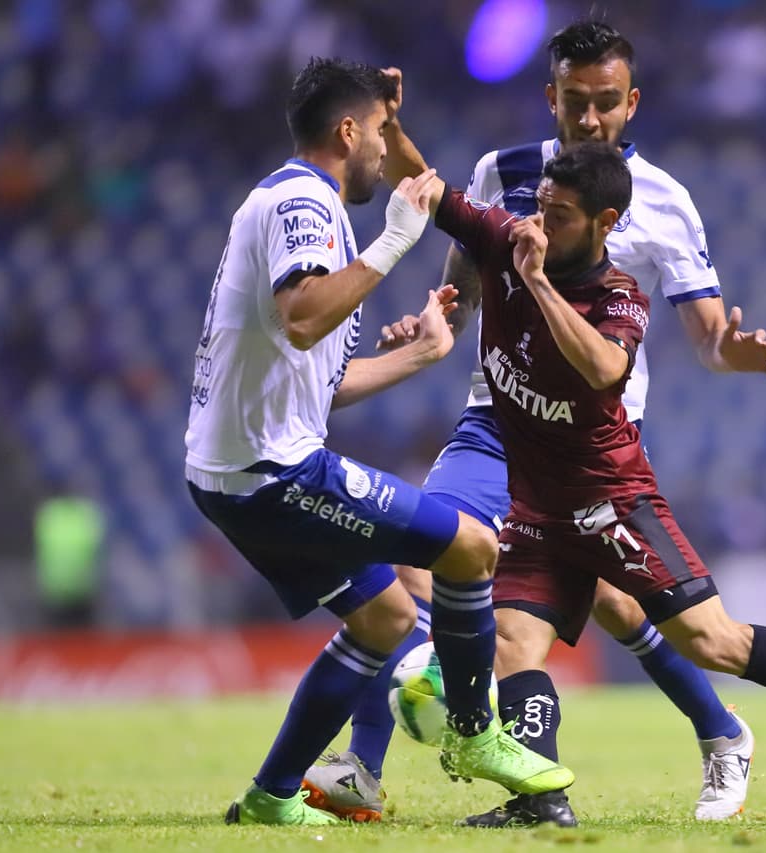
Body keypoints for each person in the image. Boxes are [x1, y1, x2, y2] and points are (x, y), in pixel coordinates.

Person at [307, 20, 766, 826]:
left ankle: (721, 729)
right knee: (424, 552)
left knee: (620, 606)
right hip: (496, 421)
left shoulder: (665, 200)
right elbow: (460, 273)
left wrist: (729, 351)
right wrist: (436, 318)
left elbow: (707, 337)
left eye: (607, 101)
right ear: (551, 97)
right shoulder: (503, 172)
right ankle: (364, 764)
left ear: (632, 102)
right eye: (575, 100)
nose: (590, 117)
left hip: (592, 447)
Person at [381, 131, 766, 825]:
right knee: (515, 643)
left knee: (712, 641)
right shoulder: (509, 236)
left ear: (605, 223)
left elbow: (604, 369)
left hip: (612, 502)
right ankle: (541, 798)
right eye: (540, 207)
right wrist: (385, 124)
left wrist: (537, 282)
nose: (541, 225)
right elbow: (428, 186)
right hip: (537, 506)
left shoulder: (618, 298)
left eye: (560, 216)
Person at [183, 57, 572, 826]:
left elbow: (315, 379)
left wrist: (420, 354)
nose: (385, 150)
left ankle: (271, 795)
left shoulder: (288, 200)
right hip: (273, 472)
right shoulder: (304, 201)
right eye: (381, 132)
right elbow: (303, 316)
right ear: (347, 131)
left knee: (386, 618)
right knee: (468, 547)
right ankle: (475, 732)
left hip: (236, 470)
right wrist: (395, 240)